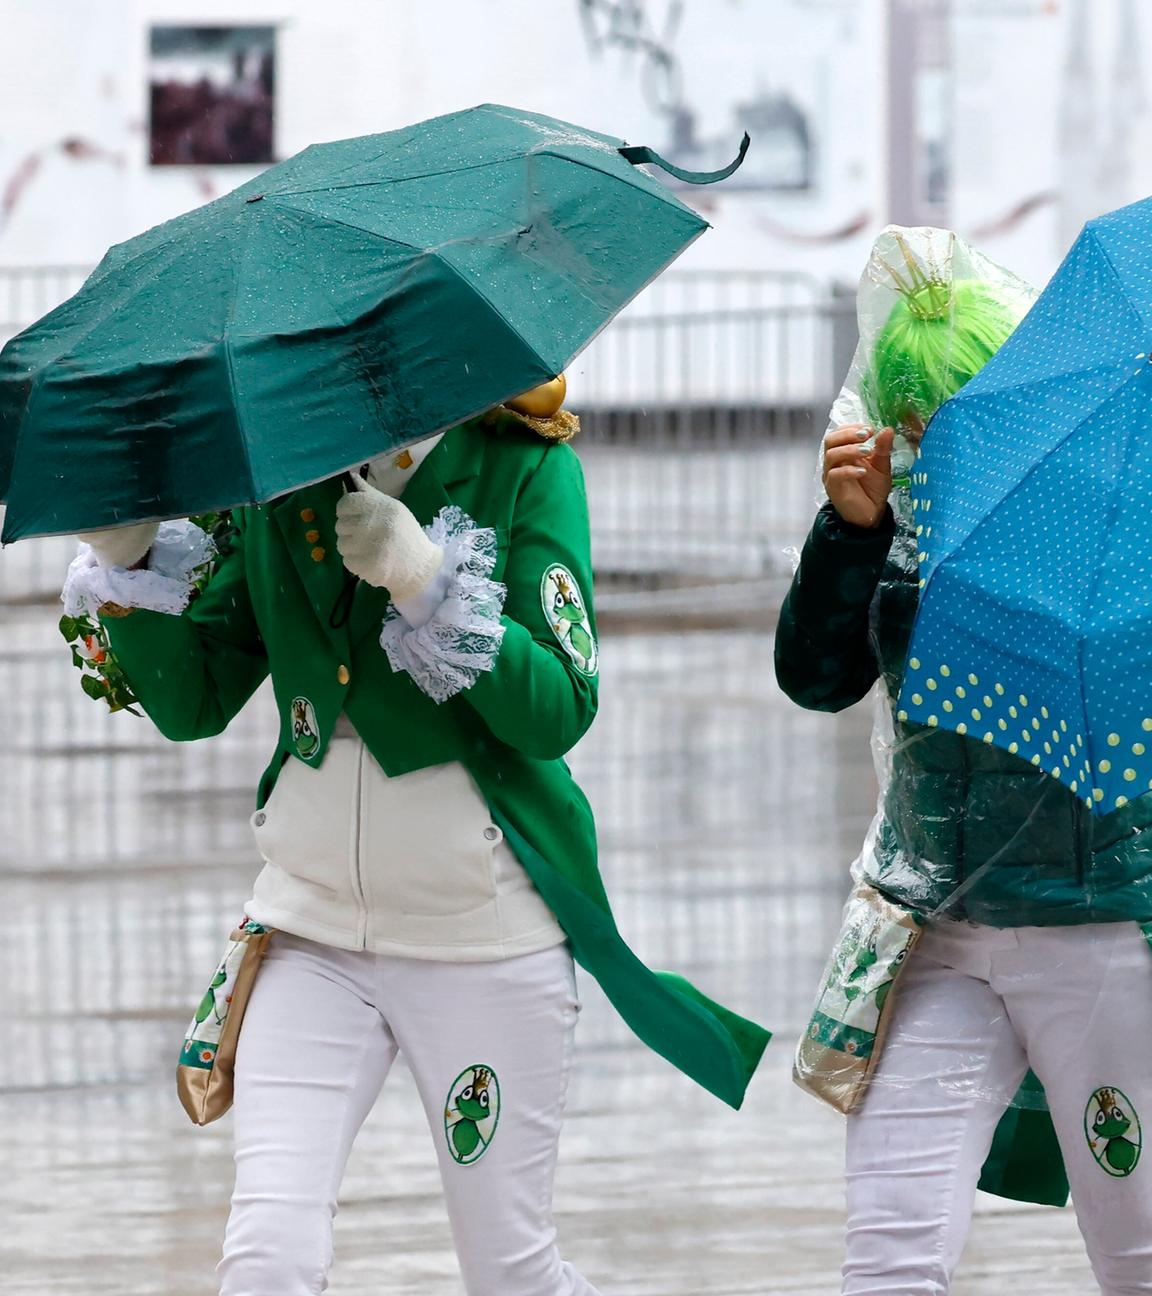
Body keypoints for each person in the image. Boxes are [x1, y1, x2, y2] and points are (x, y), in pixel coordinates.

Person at [62, 379, 767, 1295]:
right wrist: (131, 563)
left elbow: (558, 710)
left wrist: (427, 583)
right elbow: (197, 700)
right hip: (309, 935)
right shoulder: (280, 473)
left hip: (484, 942)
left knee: (510, 1273)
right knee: (265, 1257)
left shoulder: (525, 464)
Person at [776, 226, 1152, 1295]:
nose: (930, 440)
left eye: (954, 412)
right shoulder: (893, 529)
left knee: (1135, 1259)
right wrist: (848, 540)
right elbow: (815, 678)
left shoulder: (1113, 520)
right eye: (910, 418)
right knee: (889, 1257)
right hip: (930, 928)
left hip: (1101, 928)